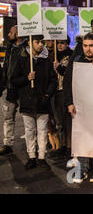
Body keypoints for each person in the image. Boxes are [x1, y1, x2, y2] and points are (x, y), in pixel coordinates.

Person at [64, 33, 93, 183]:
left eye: (91, 46)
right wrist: (69, 102)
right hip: (80, 106)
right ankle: (82, 168)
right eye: (85, 46)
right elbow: (67, 82)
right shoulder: (76, 60)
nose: (88, 49)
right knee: (82, 137)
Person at [11, 35, 57, 170]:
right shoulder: (22, 59)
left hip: (43, 102)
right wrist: (27, 78)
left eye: (42, 42)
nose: (41, 45)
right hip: (27, 102)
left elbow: (53, 80)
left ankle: (42, 157)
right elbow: (14, 79)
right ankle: (31, 156)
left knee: (42, 131)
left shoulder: (46, 60)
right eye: (37, 42)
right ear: (30, 43)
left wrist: (48, 94)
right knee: (29, 130)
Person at [0, 25, 26, 155]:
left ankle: (32, 146)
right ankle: (7, 144)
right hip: (10, 89)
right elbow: (5, 68)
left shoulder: (26, 48)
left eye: (11, 32)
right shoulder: (9, 48)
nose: (9, 34)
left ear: (18, 35)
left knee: (28, 119)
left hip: (23, 89)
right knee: (8, 118)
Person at [50, 37, 74, 159]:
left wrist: (59, 67)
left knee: (68, 121)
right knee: (59, 121)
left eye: (62, 43)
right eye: (58, 43)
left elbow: (68, 73)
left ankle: (69, 146)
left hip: (66, 91)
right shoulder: (54, 56)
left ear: (67, 44)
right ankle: (62, 145)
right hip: (56, 91)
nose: (59, 45)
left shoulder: (70, 56)